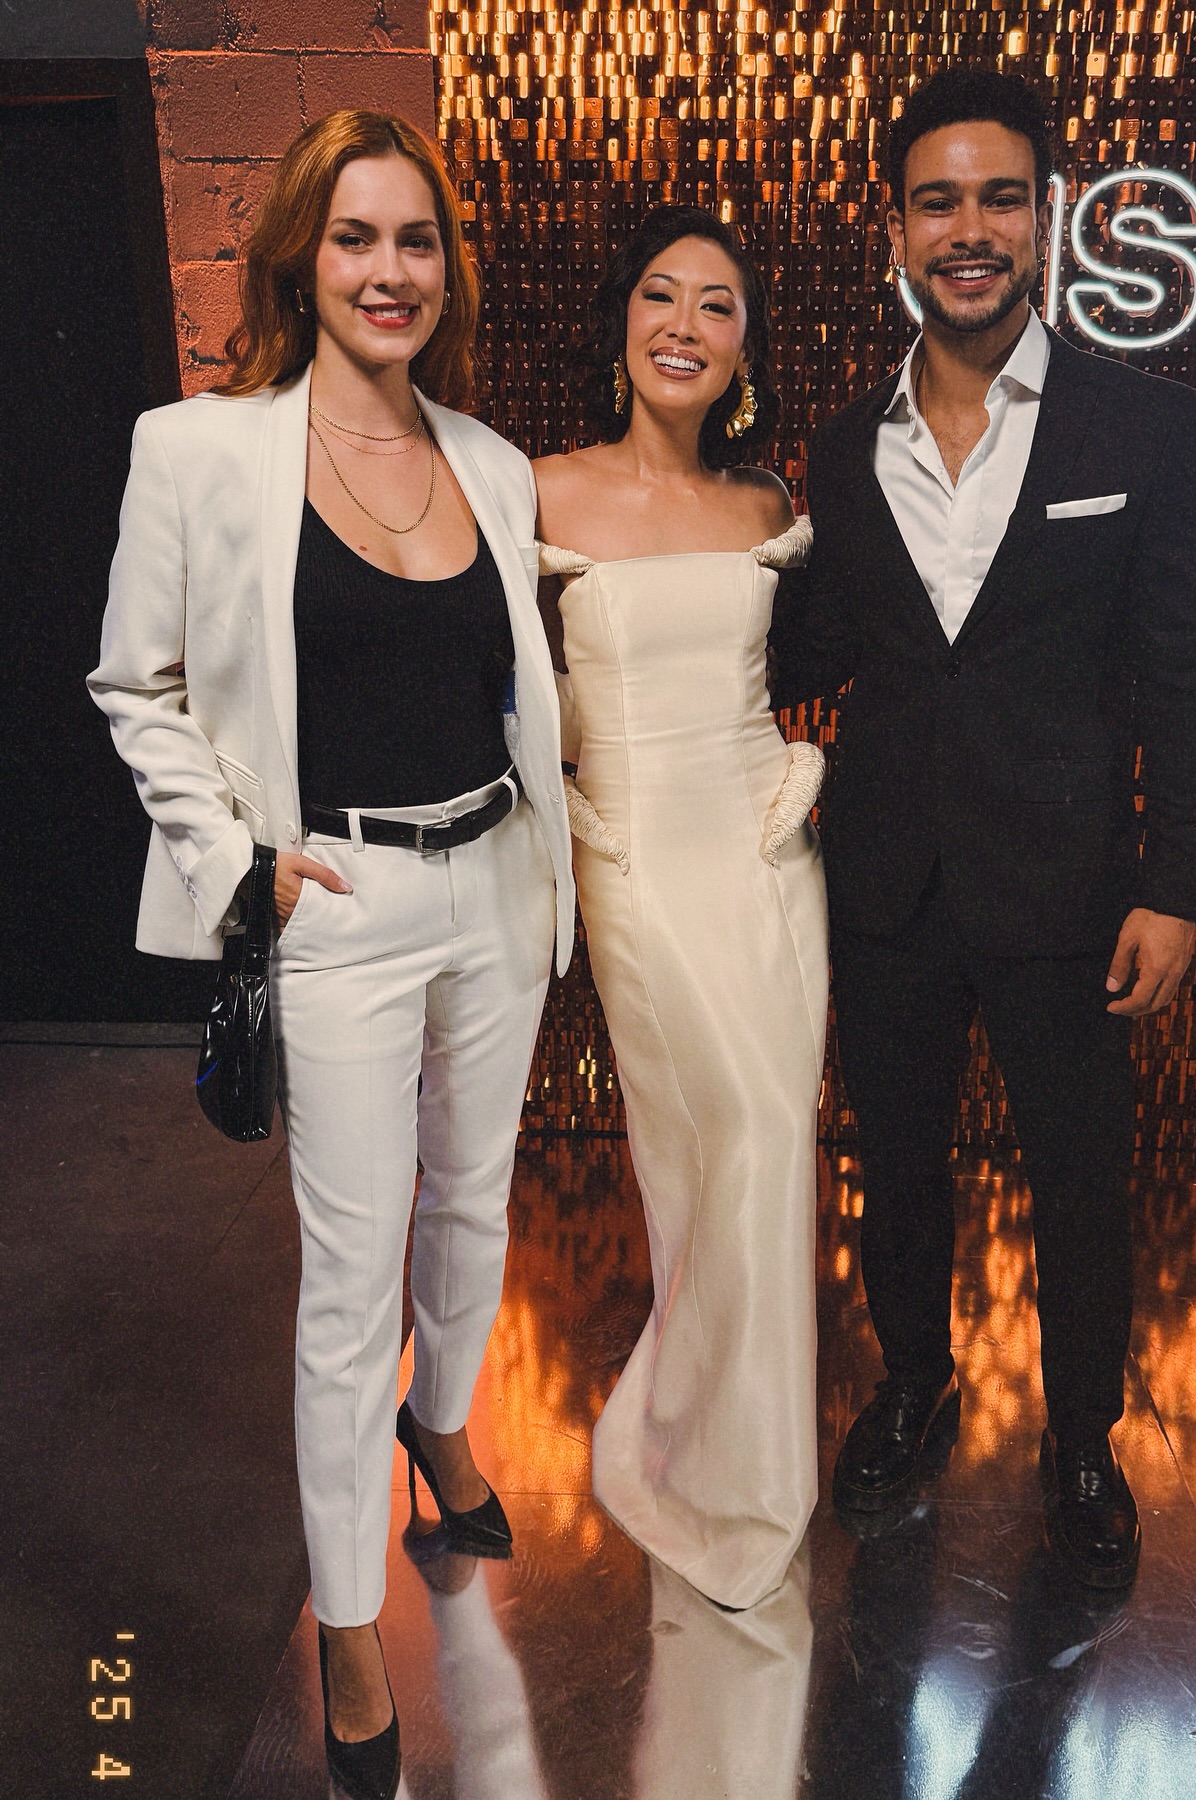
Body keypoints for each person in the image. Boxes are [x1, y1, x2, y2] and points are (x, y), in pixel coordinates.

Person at [88, 111, 573, 1800]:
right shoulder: (198, 451)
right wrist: (239, 865)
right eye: (356, 237)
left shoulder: (492, 463)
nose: (389, 270)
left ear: (447, 267)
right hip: (340, 906)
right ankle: (350, 1623)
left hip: (495, 877)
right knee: (349, 1281)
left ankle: (443, 1428)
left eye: (416, 239)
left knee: (474, 1202)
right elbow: (134, 684)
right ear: (302, 258)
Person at [769, 69, 1196, 1587]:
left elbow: (1191, 671)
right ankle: (915, 1382)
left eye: (999, 198)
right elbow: (814, 649)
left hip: (1072, 889)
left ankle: (1081, 1438)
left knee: (1079, 1180)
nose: (967, 229)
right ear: (897, 231)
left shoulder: (1141, 423)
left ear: (1045, 218)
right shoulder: (844, 444)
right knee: (896, 1164)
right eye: (937, 202)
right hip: (887, 883)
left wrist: (1177, 887)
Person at [532, 206, 827, 1611]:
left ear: (743, 350)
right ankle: (700, 1459)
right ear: (622, 323)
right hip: (637, 860)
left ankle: (743, 1461)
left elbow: (805, 662)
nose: (687, 327)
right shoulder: (536, 490)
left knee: (774, 1138)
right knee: (706, 1148)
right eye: (663, 296)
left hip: (768, 850)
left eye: (718, 306)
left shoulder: (768, 505)